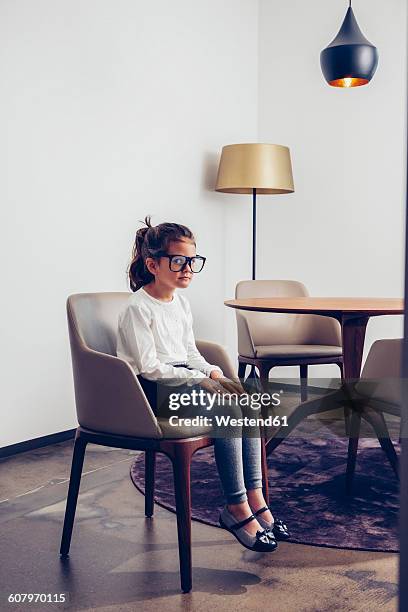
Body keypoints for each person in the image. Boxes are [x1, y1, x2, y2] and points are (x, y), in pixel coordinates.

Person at [116, 216, 289, 552]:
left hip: (185, 381)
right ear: (152, 264)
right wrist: (199, 380)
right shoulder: (138, 308)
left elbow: (190, 352)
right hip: (151, 393)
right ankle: (236, 507)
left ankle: (257, 499)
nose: (188, 269)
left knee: (247, 399)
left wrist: (213, 374)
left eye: (193, 261)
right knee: (228, 408)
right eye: (178, 261)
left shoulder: (179, 302)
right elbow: (150, 368)